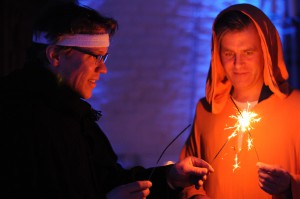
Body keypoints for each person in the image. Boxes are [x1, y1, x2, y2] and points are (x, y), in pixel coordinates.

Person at [0, 2, 214, 199]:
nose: (103, 69)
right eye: (95, 56)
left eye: (104, 57)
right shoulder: (15, 116)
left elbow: (108, 180)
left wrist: (169, 177)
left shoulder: (76, 117)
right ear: (55, 55)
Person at [179, 3, 300, 199]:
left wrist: (290, 185)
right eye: (229, 54)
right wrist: (195, 196)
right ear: (217, 56)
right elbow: (187, 180)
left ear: (266, 53)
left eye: (248, 52)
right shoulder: (206, 110)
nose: (238, 64)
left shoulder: (296, 108)